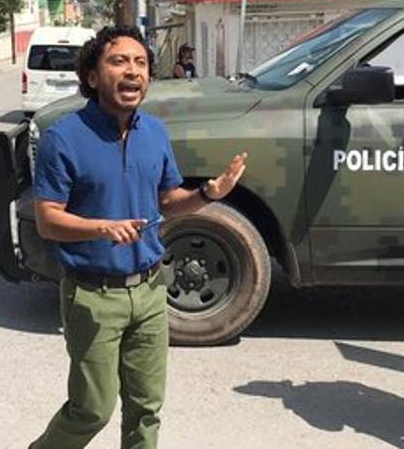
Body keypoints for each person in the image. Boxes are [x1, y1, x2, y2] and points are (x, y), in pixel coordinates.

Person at [29, 26, 247, 449]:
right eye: (119, 61)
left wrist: (207, 193)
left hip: (150, 291)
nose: (132, 71)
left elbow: (167, 200)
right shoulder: (64, 138)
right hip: (92, 295)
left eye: (141, 63)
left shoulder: (155, 133)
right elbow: (47, 220)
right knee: (92, 409)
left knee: (146, 409)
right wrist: (101, 227)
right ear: (93, 76)